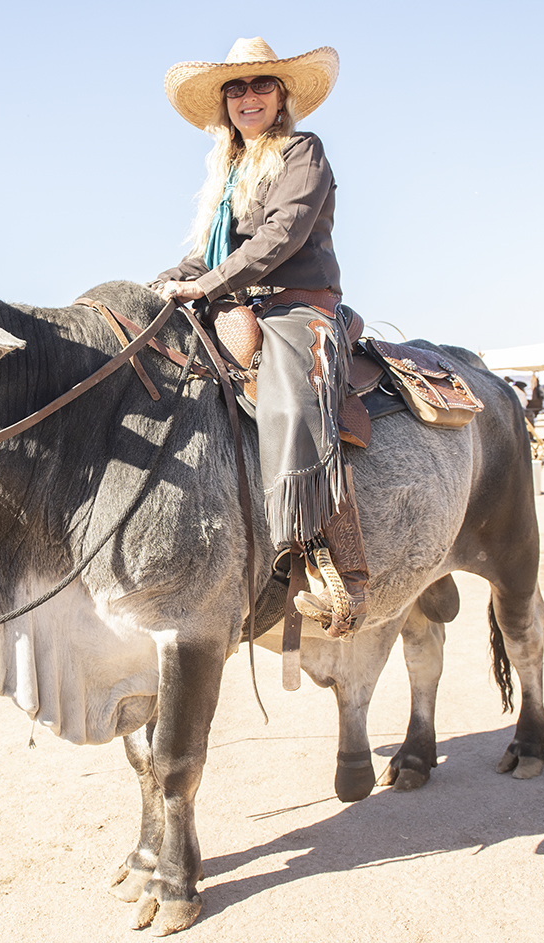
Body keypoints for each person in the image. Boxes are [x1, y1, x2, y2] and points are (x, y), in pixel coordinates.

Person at [151, 37, 364, 637]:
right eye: (236, 88)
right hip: (235, 298)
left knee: (292, 399)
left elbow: (282, 235)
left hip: (296, 306)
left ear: (281, 95)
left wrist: (208, 285)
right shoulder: (228, 173)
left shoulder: (304, 152)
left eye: (261, 85)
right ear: (224, 104)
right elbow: (207, 255)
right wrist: (167, 282)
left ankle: (323, 555)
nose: (249, 97)